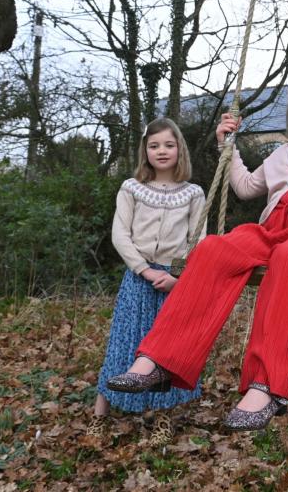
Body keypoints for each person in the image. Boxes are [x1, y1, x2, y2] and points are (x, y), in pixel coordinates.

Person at [107, 67, 288, 431]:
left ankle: (266, 386)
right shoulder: (282, 154)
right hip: (269, 231)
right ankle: (161, 360)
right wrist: (228, 147)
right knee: (212, 248)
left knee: (287, 258)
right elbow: (245, 187)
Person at [90, 118, 206, 445]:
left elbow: (199, 239)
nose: (162, 151)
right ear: (146, 151)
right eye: (154, 146)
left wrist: (176, 277)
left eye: (169, 145)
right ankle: (100, 413)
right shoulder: (132, 188)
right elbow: (120, 234)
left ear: (179, 148)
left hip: (174, 281)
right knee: (124, 344)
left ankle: (162, 419)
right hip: (139, 278)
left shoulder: (193, 193)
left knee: (166, 352)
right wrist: (144, 269)